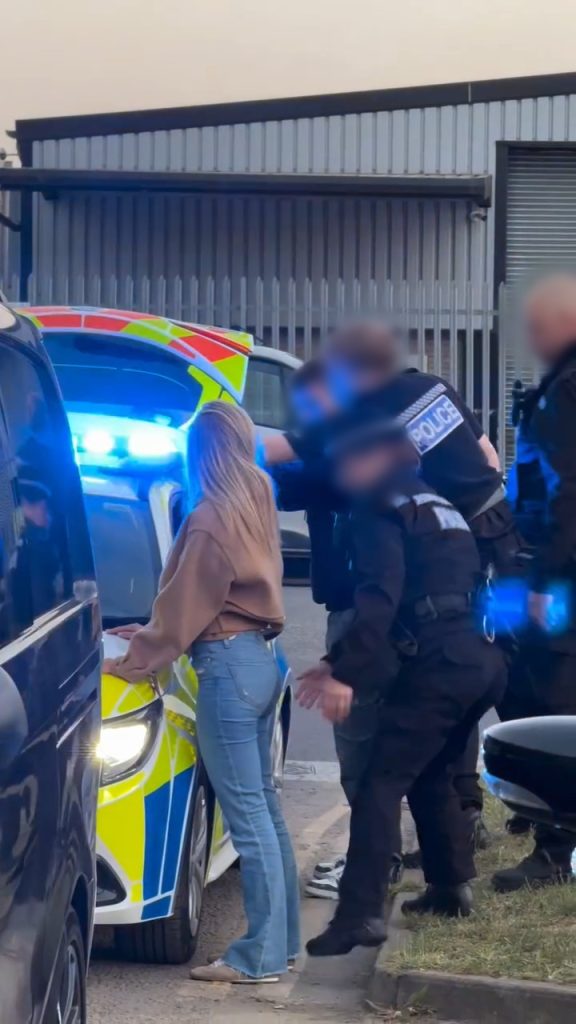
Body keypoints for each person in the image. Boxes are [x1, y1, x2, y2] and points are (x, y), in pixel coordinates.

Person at [267, 323, 518, 852]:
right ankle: (459, 830)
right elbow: (490, 458)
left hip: (378, 606)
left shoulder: (352, 437)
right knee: (445, 715)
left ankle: (388, 854)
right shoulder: (431, 391)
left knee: (369, 736)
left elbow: (273, 456)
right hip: (456, 581)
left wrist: (199, 443)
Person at [103, 401, 300, 983]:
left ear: (199, 452)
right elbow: (208, 600)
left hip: (226, 667)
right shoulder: (256, 498)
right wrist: (153, 629)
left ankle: (259, 957)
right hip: (257, 658)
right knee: (264, 811)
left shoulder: (211, 515)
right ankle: (281, 943)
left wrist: (136, 657)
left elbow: (188, 602)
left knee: (248, 816)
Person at [296, 414, 507, 956]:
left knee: (380, 781)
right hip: (478, 657)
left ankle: (360, 915)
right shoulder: (434, 501)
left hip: (440, 661)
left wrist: (344, 674)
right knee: (431, 770)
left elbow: (379, 600)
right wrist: (337, 661)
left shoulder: (377, 505)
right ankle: (450, 886)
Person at [269, 361, 403, 899]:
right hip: (371, 615)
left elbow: (292, 474)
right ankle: (380, 859)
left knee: (360, 752)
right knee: (377, 751)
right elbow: (290, 487)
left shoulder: (347, 453)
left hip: (361, 619)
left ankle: (369, 870)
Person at [492, 274, 576, 892]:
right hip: (546, 565)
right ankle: (537, 809)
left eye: (540, 325)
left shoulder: (568, 390)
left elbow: (567, 493)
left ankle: (556, 848)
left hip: (559, 576)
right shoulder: (559, 385)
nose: (533, 336)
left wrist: (545, 581)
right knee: (521, 684)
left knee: (549, 700)